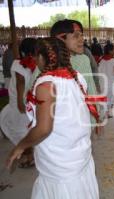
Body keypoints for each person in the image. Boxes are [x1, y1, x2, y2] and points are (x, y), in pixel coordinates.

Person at [6, 37, 100, 199]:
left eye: (36, 55)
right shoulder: (76, 77)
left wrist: (20, 146)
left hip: (61, 162)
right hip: (79, 155)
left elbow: (43, 128)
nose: (34, 59)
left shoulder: (46, 85)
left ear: (42, 57)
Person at [28, 19, 104, 129]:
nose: (81, 39)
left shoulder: (83, 60)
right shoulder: (47, 61)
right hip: (54, 123)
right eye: (76, 36)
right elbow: (32, 92)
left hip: (79, 122)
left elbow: (90, 91)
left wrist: (95, 119)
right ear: (60, 39)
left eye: (82, 35)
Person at [0, 38, 37, 168]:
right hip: (25, 103)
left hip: (21, 104)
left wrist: (21, 104)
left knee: (21, 131)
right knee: (25, 130)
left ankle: (30, 157)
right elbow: (21, 84)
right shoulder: (29, 65)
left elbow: (21, 84)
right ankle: (31, 155)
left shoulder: (21, 64)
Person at [98, 41, 114, 118]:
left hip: (102, 82)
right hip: (110, 83)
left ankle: (102, 112)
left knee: (103, 98)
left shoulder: (100, 59)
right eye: (113, 50)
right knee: (109, 98)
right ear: (110, 51)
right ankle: (107, 113)